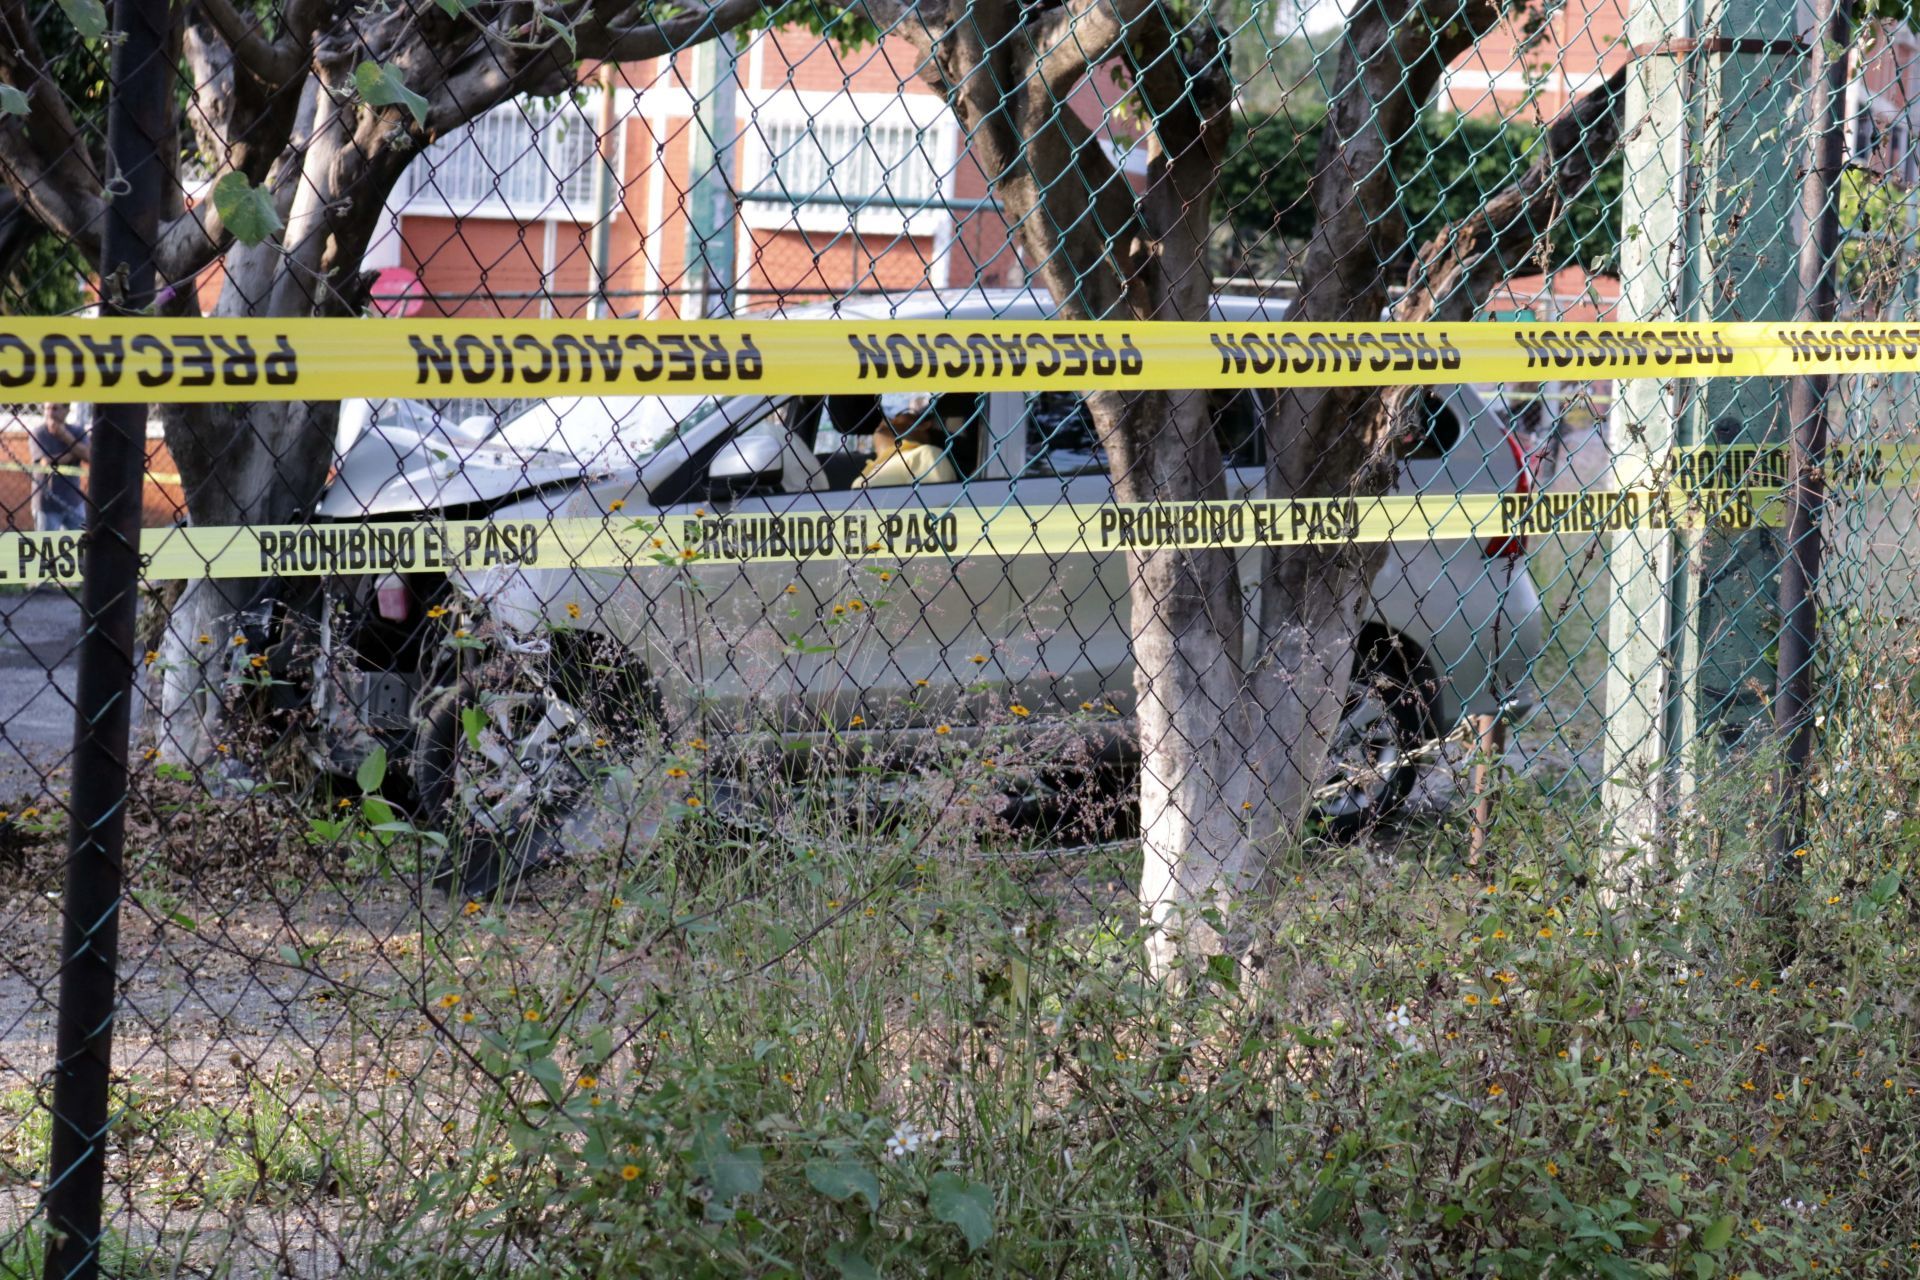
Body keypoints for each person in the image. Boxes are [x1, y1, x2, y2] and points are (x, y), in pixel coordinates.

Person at [854, 392, 960, 488]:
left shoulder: (925, 455)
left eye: (899, 411)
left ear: (923, 425)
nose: (888, 418)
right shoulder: (868, 471)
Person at [29, 401, 89, 531]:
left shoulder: (76, 431)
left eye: (55, 408)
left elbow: (88, 456)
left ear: (67, 411)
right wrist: (75, 453)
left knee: (82, 542)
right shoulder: (39, 433)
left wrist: (65, 436)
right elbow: (46, 463)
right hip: (47, 504)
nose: (50, 413)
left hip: (73, 501)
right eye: (47, 409)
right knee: (47, 546)